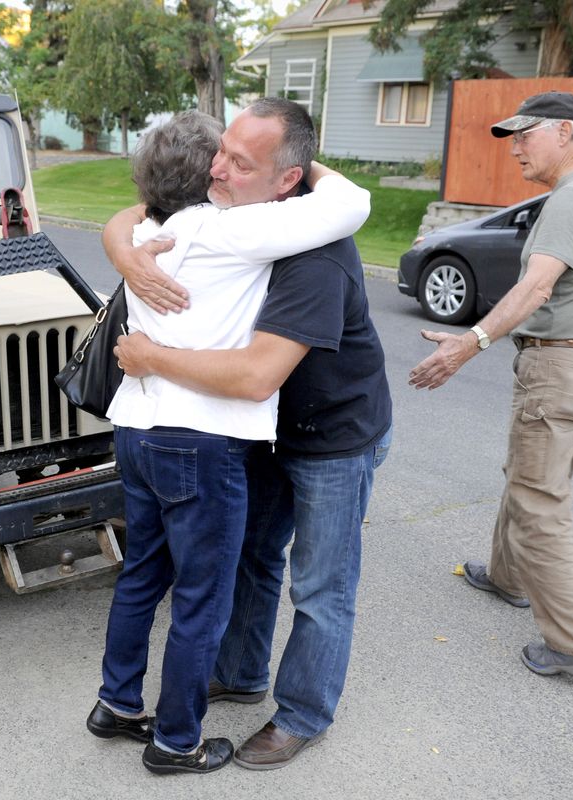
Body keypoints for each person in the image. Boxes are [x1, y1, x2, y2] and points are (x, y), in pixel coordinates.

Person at [107, 97, 392, 771]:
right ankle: (238, 672)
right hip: (261, 434)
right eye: (221, 150)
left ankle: (302, 713)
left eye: (241, 160)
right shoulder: (233, 222)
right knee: (253, 558)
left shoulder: (311, 249)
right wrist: (125, 251)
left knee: (320, 586)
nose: (218, 167)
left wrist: (149, 358)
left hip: (332, 433)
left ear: (289, 180)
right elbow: (135, 212)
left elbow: (258, 374)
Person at [408, 91, 573, 677]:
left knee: (540, 498)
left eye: (525, 134)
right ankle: (508, 575)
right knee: (534, 477)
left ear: (565, 132)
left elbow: (538, 287)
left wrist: (471, 341)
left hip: (559, 366)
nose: (516, 147)